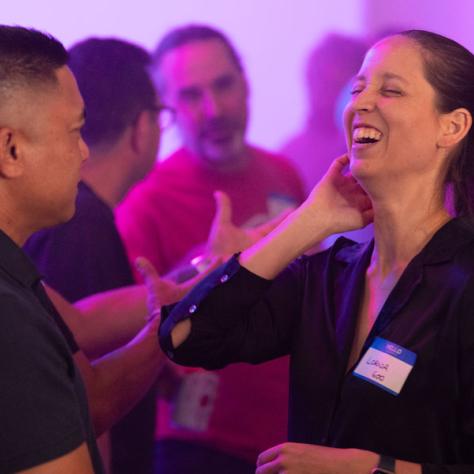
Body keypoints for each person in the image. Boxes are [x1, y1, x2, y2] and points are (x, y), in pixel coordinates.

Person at [159, 29, 474, 473]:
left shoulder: (464, 281)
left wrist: (368, 469)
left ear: (453, 127)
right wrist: (306, 222)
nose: (360, 103)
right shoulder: (329, 279)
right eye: (359, 86)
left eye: (390, 90)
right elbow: (183, 338)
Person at [116, 24, 305, 474]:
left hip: (290, 438)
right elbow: (123, 335)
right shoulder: (147, 200)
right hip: (197, 449)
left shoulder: (284, 174)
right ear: (168, 109)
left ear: (246, 83)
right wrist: (206, 266)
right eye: (191, 95)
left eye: (223, 85)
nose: (214, 109)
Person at [0, 25, 164, 474]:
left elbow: (83, 372)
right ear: (10, 150)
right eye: (74, 131)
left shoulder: (16, 280)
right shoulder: (7, 315)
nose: (84, 152)